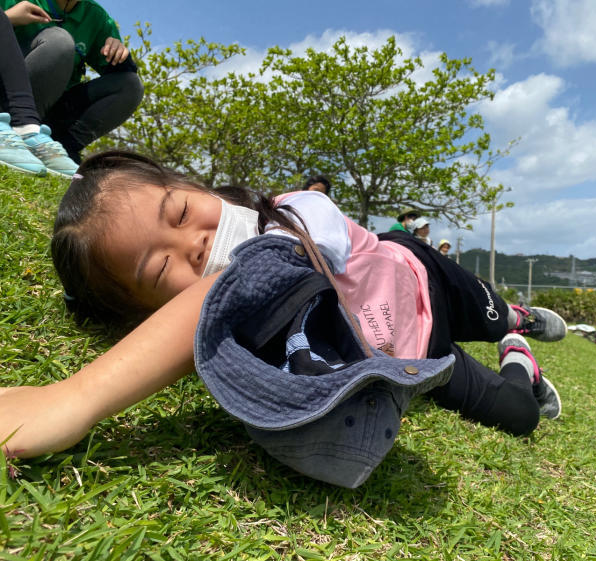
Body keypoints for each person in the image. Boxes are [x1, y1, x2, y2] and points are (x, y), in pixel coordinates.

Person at [0, 151, 566, 482]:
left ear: (195, 185)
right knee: (520, 414)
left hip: (422, 276)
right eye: (158, 269)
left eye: (180, 211)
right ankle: (520, 354)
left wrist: (74, 397)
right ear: (149, 311)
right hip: (423, 359)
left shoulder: (297, 212)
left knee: (492, 315)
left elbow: (254, 276)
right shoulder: (234, 336)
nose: (192, 246)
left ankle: (515, 319)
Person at [2, 0, 144, 164]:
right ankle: (18, 131)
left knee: (131, 84)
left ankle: (64, 148)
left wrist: (120, 55)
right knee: (60, 42)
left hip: (54, 111)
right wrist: (8, 18)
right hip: (8, 99)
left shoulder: (96, 17)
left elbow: (119, 76)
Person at [0, 8, 78, 176]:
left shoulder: (93, 15)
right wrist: (8, 18)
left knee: (131, 84)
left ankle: (27, 132)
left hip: (21, 104)